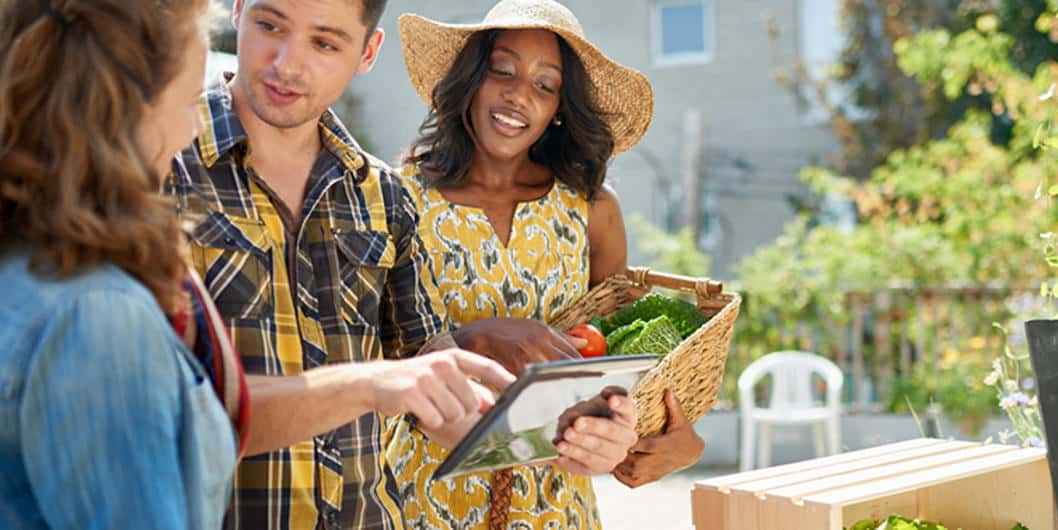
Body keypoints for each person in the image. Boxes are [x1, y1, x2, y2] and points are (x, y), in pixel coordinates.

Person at [167, 0, 638, 528]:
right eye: (270, 25)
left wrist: (569, 437)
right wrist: (373, 383)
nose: (288, 64)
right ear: (235, 10)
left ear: (368, 52)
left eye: (324, 42)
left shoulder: (383, 197)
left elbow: (433, 394)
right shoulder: (159, 169)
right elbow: (153, 409)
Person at [386, 1, 706, 528]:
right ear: (472, 79)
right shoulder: (396, 199)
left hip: (556, 507)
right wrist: (474, 339)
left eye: (544, 84)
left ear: (559, 106)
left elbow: (619, 359)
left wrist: (677, 437)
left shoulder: (592, 210)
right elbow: (366, 361)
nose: (518, 95)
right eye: (502, 71)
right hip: (421, 499)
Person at [0, 0, 240, 528]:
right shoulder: (98, 316)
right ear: (127, 108)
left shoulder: (24, 262)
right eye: (191, 101)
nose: (195, 131)